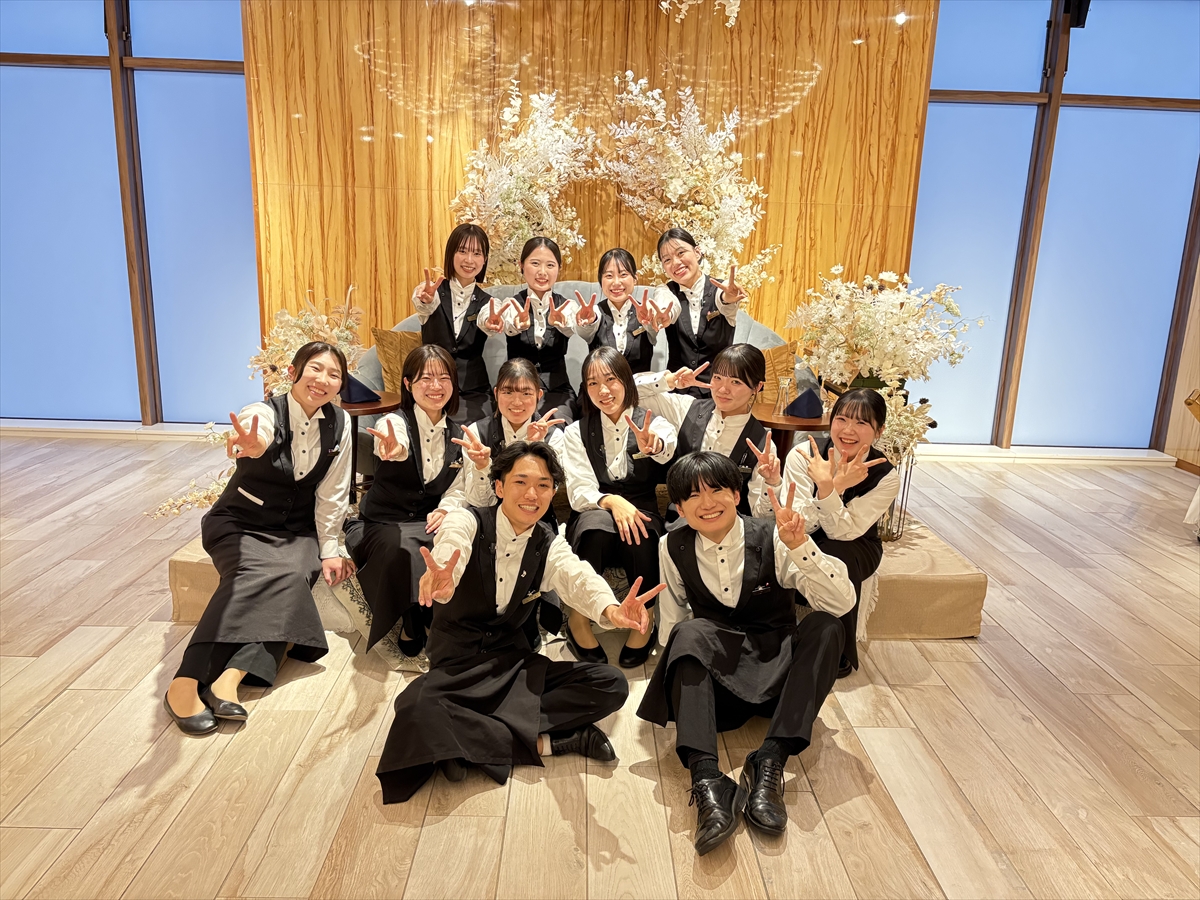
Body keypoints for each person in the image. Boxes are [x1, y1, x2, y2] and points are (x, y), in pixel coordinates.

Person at [375, 441, 665, 803]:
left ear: (553, 492)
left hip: (512, 665)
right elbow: (453, 545)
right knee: (415, 706)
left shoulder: (549, 543)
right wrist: (445, 576)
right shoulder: (468, 521)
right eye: (521, 482)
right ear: (499, 487)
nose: (532, 494)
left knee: (611, 684)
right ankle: (553, 742)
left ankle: (463, 743)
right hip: (458, 666)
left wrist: (611, 610)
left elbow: (577, 577)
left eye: (543, 485)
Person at [637, 452, 854, 855]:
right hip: (722, 686)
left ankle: (770, 760)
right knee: (687, 631)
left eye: (716, 490)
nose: (707, 503)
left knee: (826, 626)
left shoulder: (774, 535)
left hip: (780, 679)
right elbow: (673, 620)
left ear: (736, 494)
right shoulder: (672, 545)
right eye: (693, 496)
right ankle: (707, 778)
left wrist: (801, 546)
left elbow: (841, 602)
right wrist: (685, 693)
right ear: (679, 508)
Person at [164, 342, 356, 735]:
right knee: (249, 574)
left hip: (296, 529)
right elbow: (259, 428)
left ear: (340, 385)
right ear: (292, 372)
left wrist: (331, 548)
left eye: (334, 374)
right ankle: (184, 682)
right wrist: (253, 445)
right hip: (240, 522)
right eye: (315, 368)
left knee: (294, 576)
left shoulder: (341, 423)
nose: (323, 379)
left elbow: (333, 493)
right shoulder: (265, 412)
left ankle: (229, 679)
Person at [344, 345, 467, 656]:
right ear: (408, 384)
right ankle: (414, 620)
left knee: (448, 546)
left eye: (444, 378)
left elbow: (458, 487)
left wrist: (446, 509)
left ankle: (432, 615)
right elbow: (391, 438)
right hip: (385, 520)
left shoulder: (458, 434)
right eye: (426, 378)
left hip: (427, 519)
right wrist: (395, 448)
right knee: (401, 549)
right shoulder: (394, 421)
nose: (436, 386)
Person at [562, 347, 677, 668]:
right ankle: (578, 617)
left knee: (640, 531)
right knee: (595, 528)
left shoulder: (652, 422)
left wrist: (653, 445)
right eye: (593, 383)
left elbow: (666, 446)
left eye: (610, 380)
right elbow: (578, 488)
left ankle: (644, 616)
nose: (603, 390)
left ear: (626, 380)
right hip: (594, 507)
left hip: (642, 506)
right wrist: (611, 501)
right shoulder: (576, 431)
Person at [780, 388, 897, 677]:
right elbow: (800, 523)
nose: (848, 430)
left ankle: (837, 649)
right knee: (777, 545)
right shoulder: (803, 455)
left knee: (836, 554)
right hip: (803, 533)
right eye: (841, 419)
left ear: (879, 431)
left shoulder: (886, 476)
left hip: (856, 543)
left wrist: (830, 488)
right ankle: (779, 638)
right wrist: (834, 488)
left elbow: (843, 532)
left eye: (861, 423)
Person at [636, 343, 780, 522]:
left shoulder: (762, 445)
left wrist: (772, 482)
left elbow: (761, 516)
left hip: (729, 529)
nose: (722, 389)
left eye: (736, 382)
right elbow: (627, 395)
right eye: (717, 378)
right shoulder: (686, 408)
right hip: (681, 524)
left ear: (757, 387)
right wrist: (669, 381)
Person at [500, 237, 596, 422]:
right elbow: (508, 324)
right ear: (521, 265)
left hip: (557, 391)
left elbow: (573, 324)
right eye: (535, 263)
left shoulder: (567, 306)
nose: (542, 272)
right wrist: (516, 325)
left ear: (559, 268)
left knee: (557, 426)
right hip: (516, 390)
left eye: (550, 265)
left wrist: (565, 323)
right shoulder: (510, 305)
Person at [410, 223, 495, 423]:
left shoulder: (488, 303)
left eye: (476, 253)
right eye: (462, 251)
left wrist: (492, 322)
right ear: (451, 254)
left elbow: (487, 318)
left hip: (473, 394)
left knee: (477, 430)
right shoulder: (432, 292)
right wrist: (425, 300)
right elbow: (424, 304)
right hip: (432, 388)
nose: (469, 260)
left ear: (484, 259)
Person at [651, 228, 748, 397]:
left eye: (681, 253)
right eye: (667, 259)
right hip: (678, 394)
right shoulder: (665, 291)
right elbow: (668, 303)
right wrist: (664, 314)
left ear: (697, 252)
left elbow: (724, 300)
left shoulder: (719, 289)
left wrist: (729, 297)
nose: (675, 262)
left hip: (718, 394)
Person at [584, 248, 662, 374]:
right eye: (609, 276)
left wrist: (650, 320)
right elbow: (583, 331)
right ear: (600, 280)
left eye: (623, 275)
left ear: (635, 278)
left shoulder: (647, 310)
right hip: (602, 386)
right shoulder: (594, 313)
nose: (616, 282)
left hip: (640, 386)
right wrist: (585, 323)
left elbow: (654, 329)